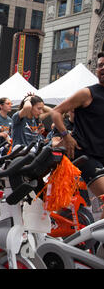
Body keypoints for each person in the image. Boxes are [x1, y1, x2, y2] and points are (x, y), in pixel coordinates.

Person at [51, 52, 104, 218]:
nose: (102, 68)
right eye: (100, 65)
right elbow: (56, 112)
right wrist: (66, 136)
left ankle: (97, 243)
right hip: (84, 154)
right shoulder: (88, 94)